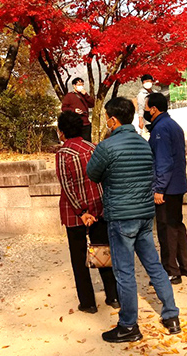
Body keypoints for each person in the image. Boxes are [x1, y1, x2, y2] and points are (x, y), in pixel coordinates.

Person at [86, 97, 180, 343]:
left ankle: (128, 325)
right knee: (154, 265)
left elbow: (92, 173)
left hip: (121, 216)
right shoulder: (143, 143)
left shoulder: (107, 146)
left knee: (124, 272)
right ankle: (171, 316)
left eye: (107, 117)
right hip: (144, 214)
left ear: (113, 120)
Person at [55, 111, 119, 314]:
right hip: (98, 208)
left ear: (62, 131)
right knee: (102, 251)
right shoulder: (93, 148)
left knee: (78, 257)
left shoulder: (64, 154)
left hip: (75, 213)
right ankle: (113, 295)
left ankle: (88, 302)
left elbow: (67, 186)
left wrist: (81, 211)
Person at [145, 93, 187, 285]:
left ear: (154, 109)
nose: (146, 111)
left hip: (167, 187)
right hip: (177, 184)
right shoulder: (173, 125)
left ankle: (170, 270)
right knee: (176, 225)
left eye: (147, 107)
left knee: (166, 229)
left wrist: (159, 189)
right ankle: (186, 266)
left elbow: (164, 161)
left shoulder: (161, 129)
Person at [61, 77, 95, 142]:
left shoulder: (84, 95)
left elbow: (92, 104)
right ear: (74, 86)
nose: (81, 86)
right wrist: (74, 110)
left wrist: (86, 95)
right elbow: (64, 108)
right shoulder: (69, 96)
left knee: (86, 142)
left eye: (82, 85)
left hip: (86, 123)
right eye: (79, 85)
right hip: (75, 124)